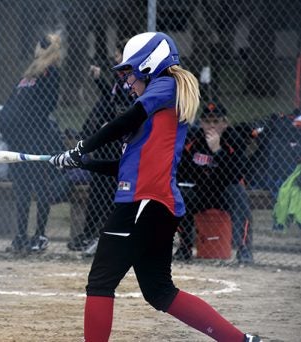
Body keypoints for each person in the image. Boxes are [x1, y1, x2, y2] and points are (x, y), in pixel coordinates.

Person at [51, 32, 261, 342]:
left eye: (130, 73)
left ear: (150, 65)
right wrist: (81, 162)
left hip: (144, 203)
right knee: (160, 292)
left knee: (101, 280)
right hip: (152, 203)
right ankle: (240, 341)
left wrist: (82, 147)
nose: (127, 82)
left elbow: (123, 120)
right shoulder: (153, 116)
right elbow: (124, 168)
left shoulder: (167, 84)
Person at [0, 33, 64, 253]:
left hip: (37, 138)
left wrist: (24, 121)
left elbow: (48, 104)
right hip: (18, 139)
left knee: (40, 186)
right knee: (22, 189)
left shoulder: (51, 72)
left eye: (44, 44)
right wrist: (5, 122)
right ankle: (20, 236)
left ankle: (40, 234)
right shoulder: (28, 73)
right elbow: (13, 101)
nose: (39, 47)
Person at [67, 40, 133, 255]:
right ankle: (89, 233)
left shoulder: (133, 79)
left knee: (108, 190)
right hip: (109, 142)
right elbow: (109, 100)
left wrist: (110, 123)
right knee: (98, 188)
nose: (115, 58)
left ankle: (101, 234)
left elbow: (125, 106)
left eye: (119, 55)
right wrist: (99, 81)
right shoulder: (118, 79)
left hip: (122, 143)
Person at [174, 103, 254, 263]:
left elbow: (236, 174)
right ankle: (184, 247)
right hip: (201, 191)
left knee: (239, 195)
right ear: (201, 122)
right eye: (207, 121)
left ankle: (244, 250)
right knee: (178, 195)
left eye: (216, 121)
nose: (211, 125)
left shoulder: (234, 139)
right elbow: (182, 171)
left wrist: (217, 150)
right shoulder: (193, 139)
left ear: (225, 123)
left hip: (225, 192)